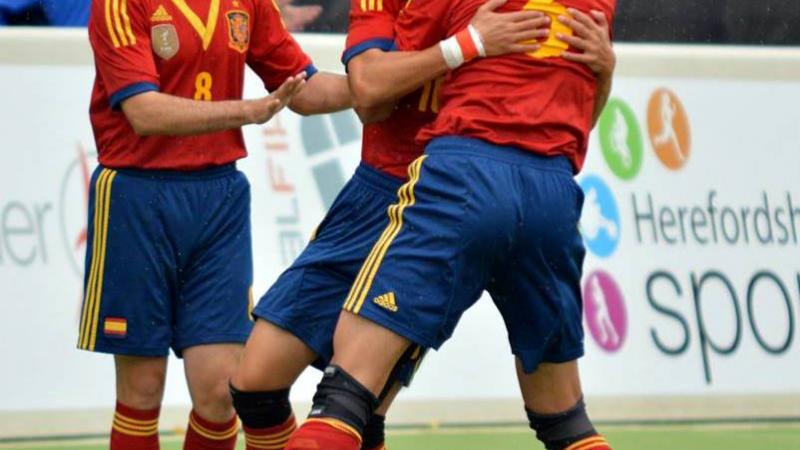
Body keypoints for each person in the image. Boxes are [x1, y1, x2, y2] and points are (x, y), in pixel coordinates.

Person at [283, 1, 618, 450]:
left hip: (464, 178)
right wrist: (607, 70)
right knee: (565, 422)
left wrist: (471, 42)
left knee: (345, 396)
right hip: (551, 192)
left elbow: (374, 92)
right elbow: (583, 120)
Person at [228, 0, 551, 449]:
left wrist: (603, 66)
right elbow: (369, 96)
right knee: (254, 384)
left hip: (440, 203)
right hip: (371, 190)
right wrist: (464, 47)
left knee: (360, 409)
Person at [77, 0, 351, 448]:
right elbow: (144, 113)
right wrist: (248, 111)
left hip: (218, 198)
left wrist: (381, 85)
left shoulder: (248, 4)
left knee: (220, 391)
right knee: (141, 389)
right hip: (136, 197)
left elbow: (301, 88)